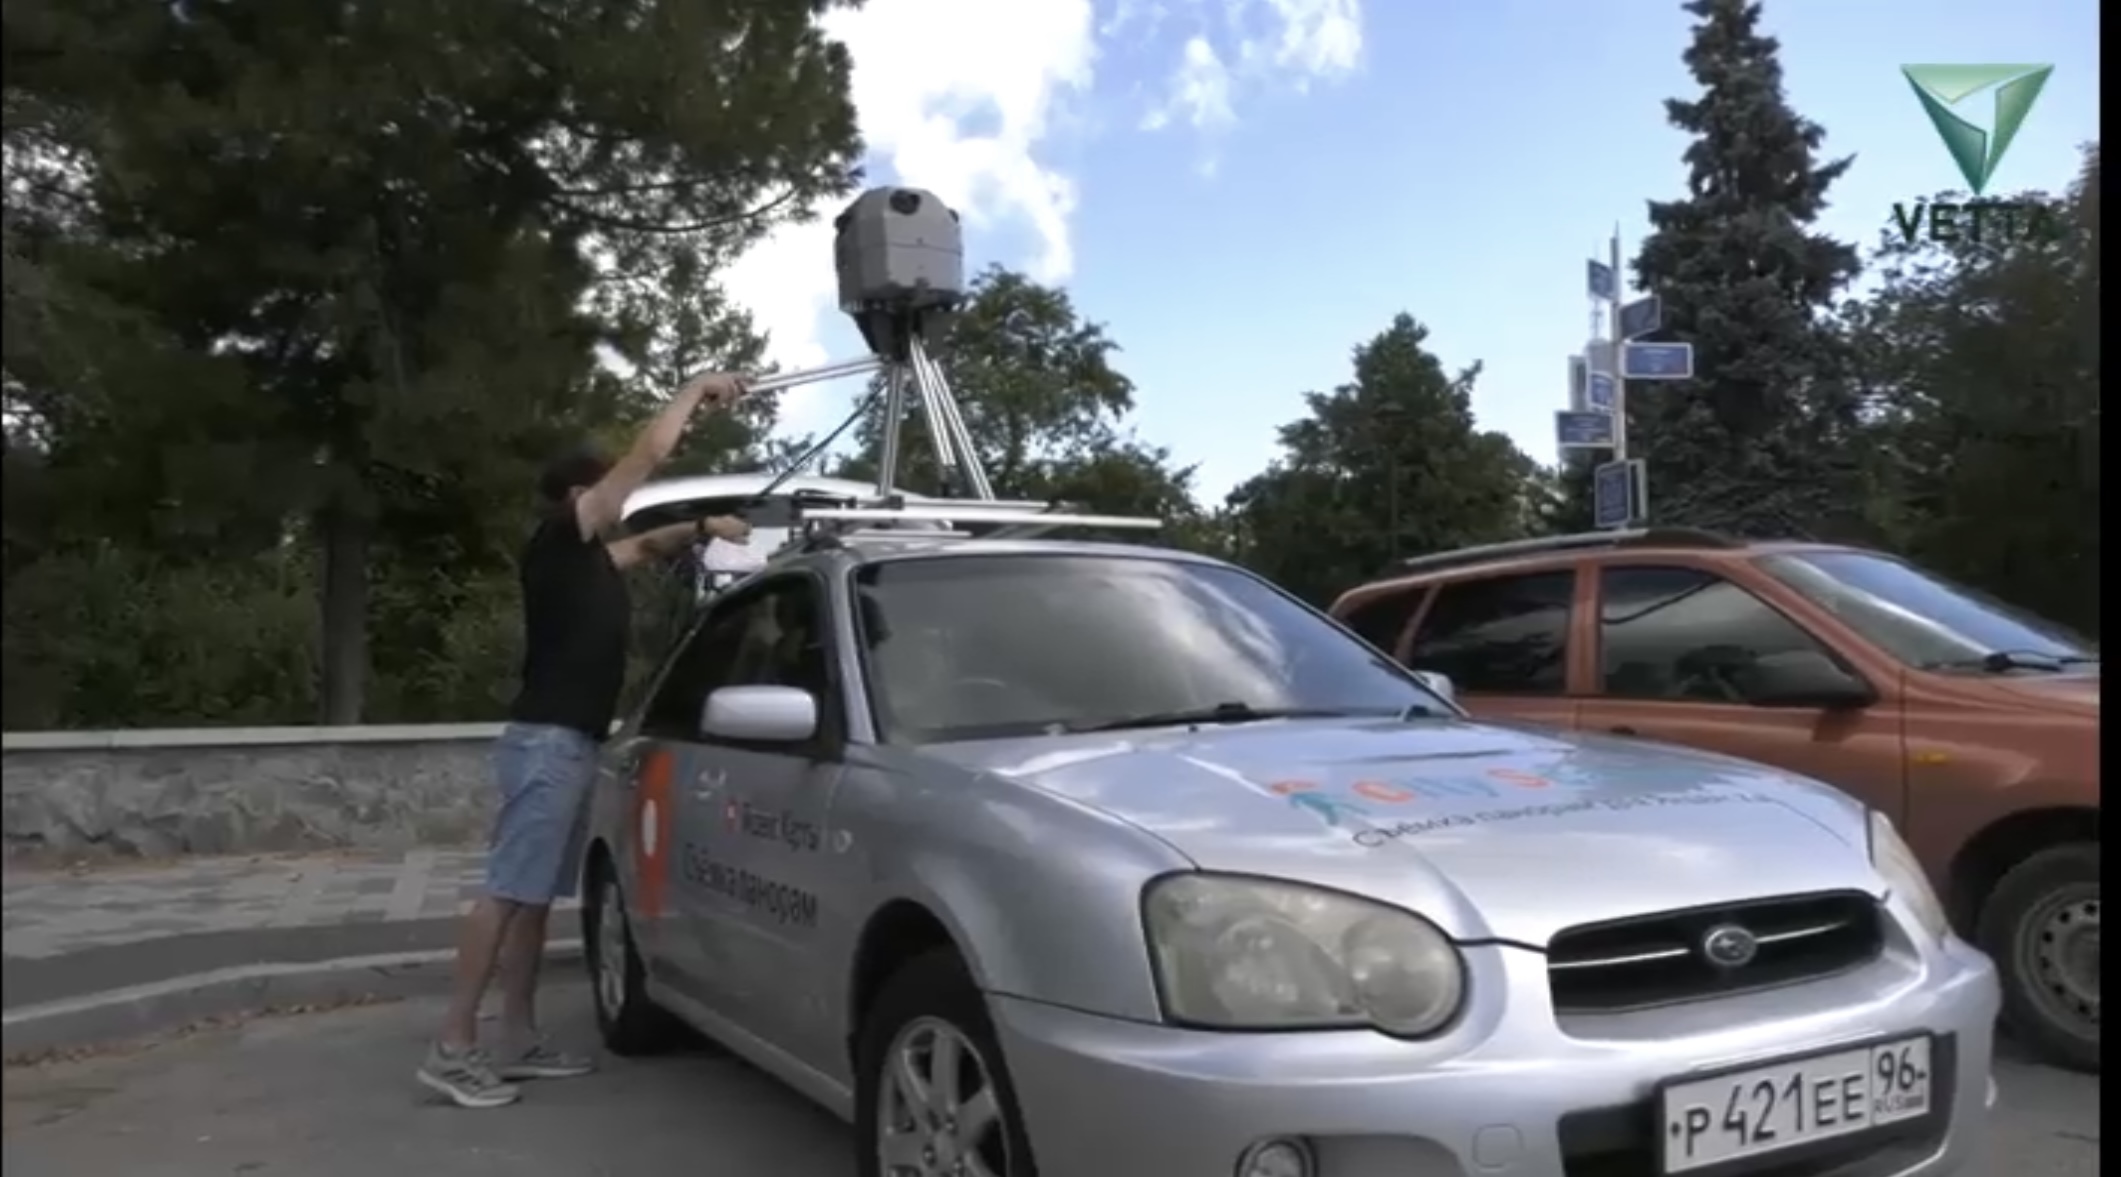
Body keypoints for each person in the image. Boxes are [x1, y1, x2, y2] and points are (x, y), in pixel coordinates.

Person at [416, 370, 753, 1109]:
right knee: (506, 892)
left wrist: (703, 527)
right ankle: (453, 1043)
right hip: (546, 744)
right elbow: (648, 454)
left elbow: (651, 544)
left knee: (533, 899)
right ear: (579, 498)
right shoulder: (559, 538)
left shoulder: (594, 558)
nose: (619, 505)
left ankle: (517, 1037)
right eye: (607, 494)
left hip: (566, 745)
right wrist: (697, 388)